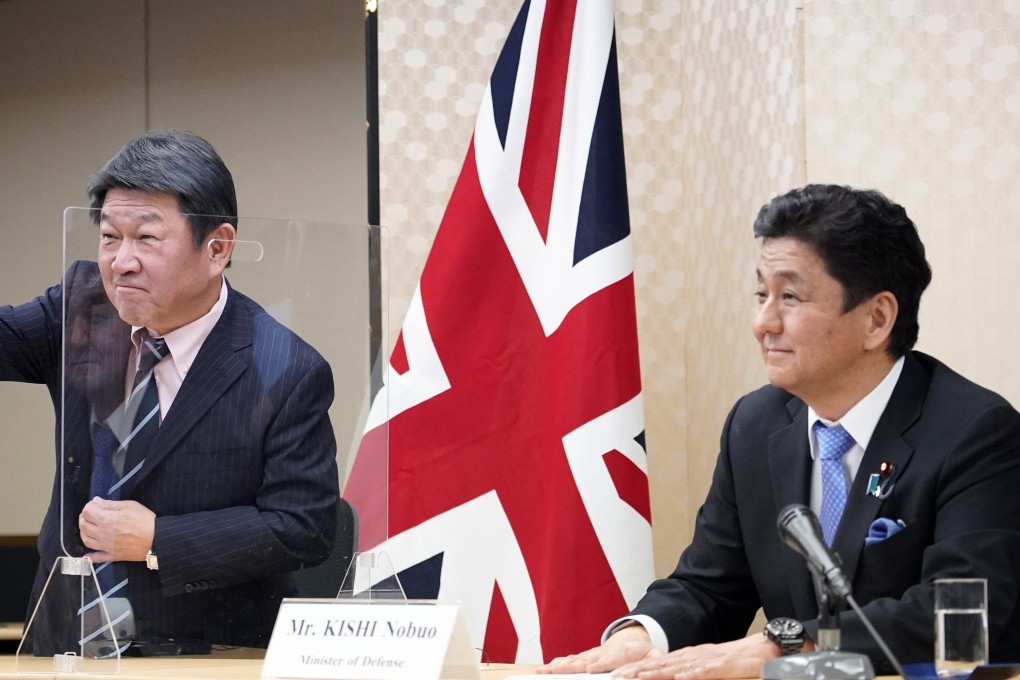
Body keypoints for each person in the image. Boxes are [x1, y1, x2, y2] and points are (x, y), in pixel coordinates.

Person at [538, 184, 1020, 678]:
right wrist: (642, 634)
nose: (763, 322)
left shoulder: (974, 431)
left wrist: (780, 644)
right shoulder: (756, 424)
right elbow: (711, 585)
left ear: (877, 319)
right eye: (761, 294)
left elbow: (960, 619)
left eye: (789, 296)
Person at [1, 130, 340, 652]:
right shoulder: (82, 307)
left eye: (147, 238)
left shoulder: (284, 368)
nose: (121, 262)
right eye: (110, 237)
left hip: (201, 651)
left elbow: (304, 527)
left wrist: (160, 539)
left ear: (218, 248)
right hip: (65, 645)